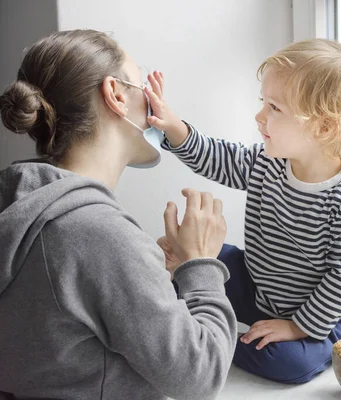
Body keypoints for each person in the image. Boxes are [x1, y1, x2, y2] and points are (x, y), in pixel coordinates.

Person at [0, 29, 236, 400]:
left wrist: (149, 270)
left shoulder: (23, 204)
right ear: (116, 95)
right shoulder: (96, 233)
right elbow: (201, 376)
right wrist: (203, 262)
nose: (155, 103)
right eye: (143, 85)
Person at [147, 39, 341, 383]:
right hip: (256, 284)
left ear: (324, 127)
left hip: (316, 315)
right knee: (190, 259)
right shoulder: (267, 163)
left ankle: (209, 343)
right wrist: (174, 128)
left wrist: (296, 326)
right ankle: (190, 311)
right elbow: (219, 158)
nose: (259, 116)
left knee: (290, 364)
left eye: (274, 108)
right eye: (264, 102)